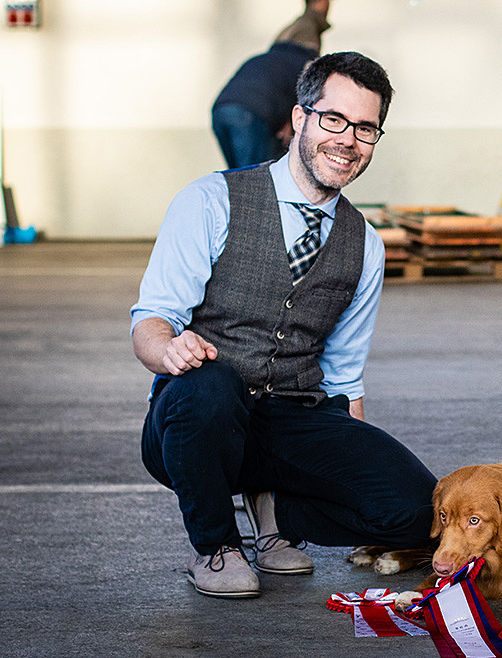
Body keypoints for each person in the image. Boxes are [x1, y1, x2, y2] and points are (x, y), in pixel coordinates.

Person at [131, 51, 437, 599]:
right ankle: (216, 547)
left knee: (418, 511)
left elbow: (345, 375)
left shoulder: (364, 243)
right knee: (208, 384)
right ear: (299, 119)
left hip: (292, 417)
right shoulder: (210, 200)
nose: (347, 139)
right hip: (198, 421)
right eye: (333, 119)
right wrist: (169, 351)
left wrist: (355, 460)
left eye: (366, 128)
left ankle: (278, 515)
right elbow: (151, 321)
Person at [211, 0, 331, 169]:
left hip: (220, 110)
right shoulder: (304, 62)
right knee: (256, 181)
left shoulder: (270, 59)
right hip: (250, 114)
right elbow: (306, 101)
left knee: (238, 178)